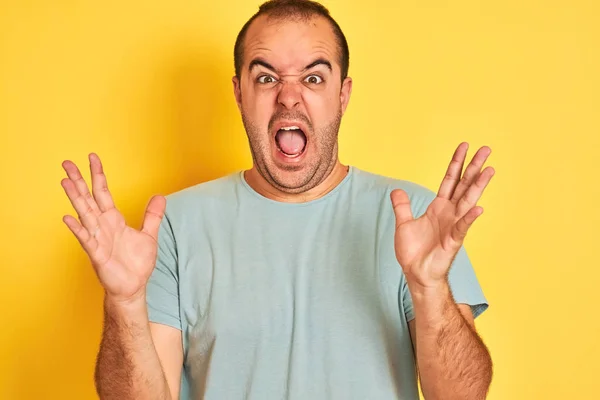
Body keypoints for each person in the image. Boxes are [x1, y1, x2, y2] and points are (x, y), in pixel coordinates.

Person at [60, 0, 494, 398]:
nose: (289, 96)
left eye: (313, 77)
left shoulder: (413, 219)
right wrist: (125, 303)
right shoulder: (174, 225)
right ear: (238, 94)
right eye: (266, 77)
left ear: (342, 95)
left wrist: (430, 287)